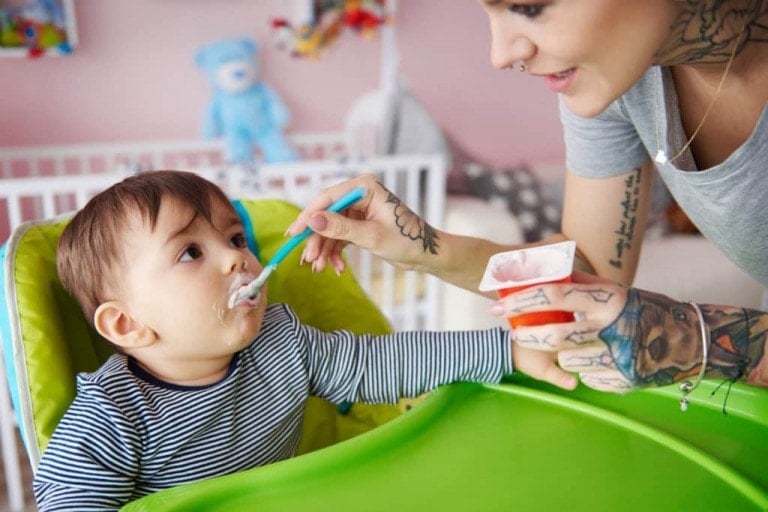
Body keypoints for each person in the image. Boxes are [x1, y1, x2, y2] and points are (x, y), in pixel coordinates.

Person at [288, 0, 768, 393]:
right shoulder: (621, 79)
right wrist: (424, 248)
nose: (501, 53)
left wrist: (700, 337)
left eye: (529, 7)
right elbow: (588, 270)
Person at [33, 170, 514, 510]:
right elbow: (69, 501)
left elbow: (380, 363)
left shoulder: (283, 342)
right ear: (125, 325)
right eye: (190, 253)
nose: (236, 259)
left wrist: (507, 348)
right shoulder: (112, 413)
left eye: (236, 238)